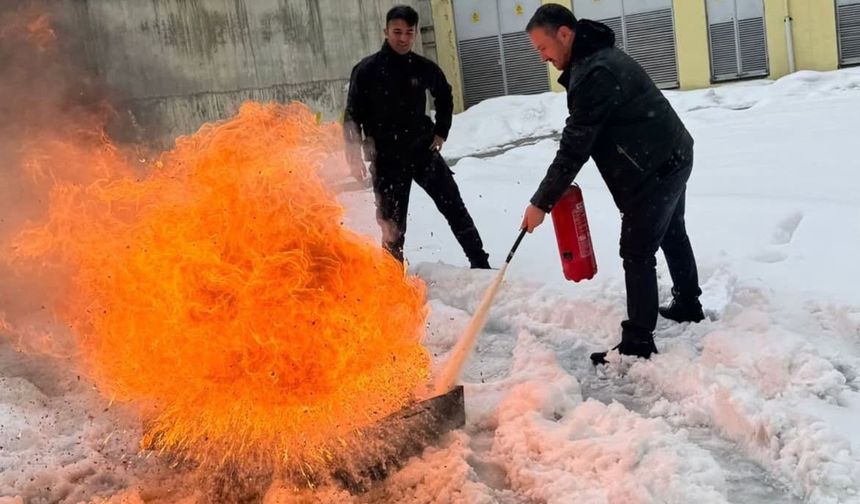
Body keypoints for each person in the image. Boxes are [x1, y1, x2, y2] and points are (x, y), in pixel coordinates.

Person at [520, 4, 705, 365]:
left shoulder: (594, 73)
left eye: (543, 48)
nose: (541, 57)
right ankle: (687, 303)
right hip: (673, 153)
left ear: (564, 34)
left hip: (655, 168)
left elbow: (574, 148)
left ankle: (638, 342)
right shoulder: (595, 59)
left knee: (637, 252)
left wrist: (541, 203)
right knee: (672, 231)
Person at [343, 5, 491, 269]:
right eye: (397, 32)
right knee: (392, 225)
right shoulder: (366, 70)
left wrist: (441, 131)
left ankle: (480, 264)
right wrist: (352, 155)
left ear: (414, 34)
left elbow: (444, 95)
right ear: (385, 32)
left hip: (422, 151)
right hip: (386, 159)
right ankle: (393, 281)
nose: (403, 38)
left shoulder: (422, 67)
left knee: (454, 207)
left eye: (408, 33)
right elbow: (352, 115)